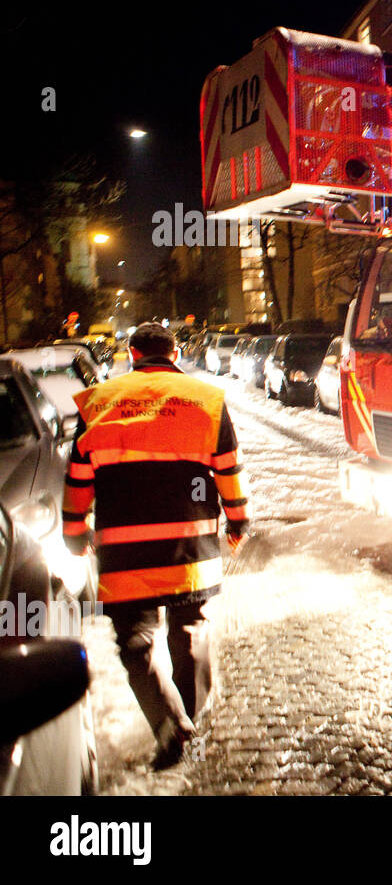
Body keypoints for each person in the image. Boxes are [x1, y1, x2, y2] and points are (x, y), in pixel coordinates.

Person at [61, 322, 249, 768]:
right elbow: (228, 469)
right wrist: (238, 521)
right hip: (190, 550)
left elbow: (78, 477)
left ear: (131, 353)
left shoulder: (99, 403)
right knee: (190, 633)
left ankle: (171, 726)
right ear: (176, 352)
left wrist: (74, 534)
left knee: (135, 644)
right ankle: (190, 717)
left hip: (124, 553)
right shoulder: (206, 400)